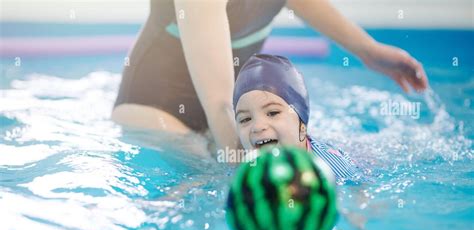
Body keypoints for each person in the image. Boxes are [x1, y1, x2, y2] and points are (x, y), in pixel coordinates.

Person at [112, 0, 428, 154]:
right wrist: (244, 174)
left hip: (235, 113)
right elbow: (220, 103)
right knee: (206, 187)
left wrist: (368, 50)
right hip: (157, 108)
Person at [233, 53, 359, 181]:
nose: (258, 127)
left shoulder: (330, 168)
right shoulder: (245, 167)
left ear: (302, 126)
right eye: (245, 119)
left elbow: (359, 191)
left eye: (273, 113)